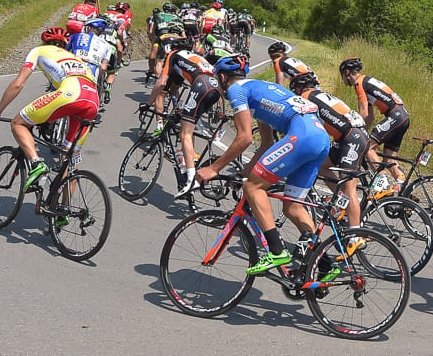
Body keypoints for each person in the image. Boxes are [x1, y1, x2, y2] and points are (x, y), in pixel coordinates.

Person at [194, 56, 335, 276]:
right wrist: (243, 173)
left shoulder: (236, 90)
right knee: (293, 207)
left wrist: (214, 168)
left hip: (303, 136)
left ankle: (277, 251)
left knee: (253, 188)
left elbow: (244, 138)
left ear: (222, 77)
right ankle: (325, 266)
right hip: (320, 139)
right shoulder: (261, 90)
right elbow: (267, 144)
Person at [0, 27, 99, 200]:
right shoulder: (75, 58)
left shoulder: (38, 51)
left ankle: (37, 164)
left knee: (18, 123)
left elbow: (18, 84)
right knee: (70, 159)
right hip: (93, 100)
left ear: (45, 42)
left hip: (71, 93)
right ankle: (62, 212)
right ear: (64, 44)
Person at [289, 71, 371, 256]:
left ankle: (355, 236)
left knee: (349, 187)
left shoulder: (306, 97)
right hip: (351, 136)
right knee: (322, 164)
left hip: (352, 138)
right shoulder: (320, 95)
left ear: (299, 88)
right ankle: (340, 202)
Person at [147, 38, 221, 201]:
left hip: (202, 85)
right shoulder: (192, 58)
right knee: (188, 122)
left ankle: (190, 179)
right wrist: (180, 109)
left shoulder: (173, 55)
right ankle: (190, 157)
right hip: (215, 88)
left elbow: (161, 83)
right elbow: (174, 89)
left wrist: (148, 103)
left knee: (184, 134)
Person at [339, 57, 409, 186]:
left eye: (342, 76)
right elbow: (370, 117)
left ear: (347, 72)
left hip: (395, 116)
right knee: (388, 159)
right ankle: (404, 190)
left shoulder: (359, 83)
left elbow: (363, 113)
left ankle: (383, 185)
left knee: (368, 148)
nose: (343, 80)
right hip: (403, 117)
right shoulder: (367, 81)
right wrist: (362, 133)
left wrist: (353, 134)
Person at [65, 18, 113, 107]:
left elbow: (63, 51)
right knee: (90, 93)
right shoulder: (107, 45)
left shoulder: (76, 36)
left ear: (90, 28)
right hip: (93, 68)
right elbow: (103, 67)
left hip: (73, 64)